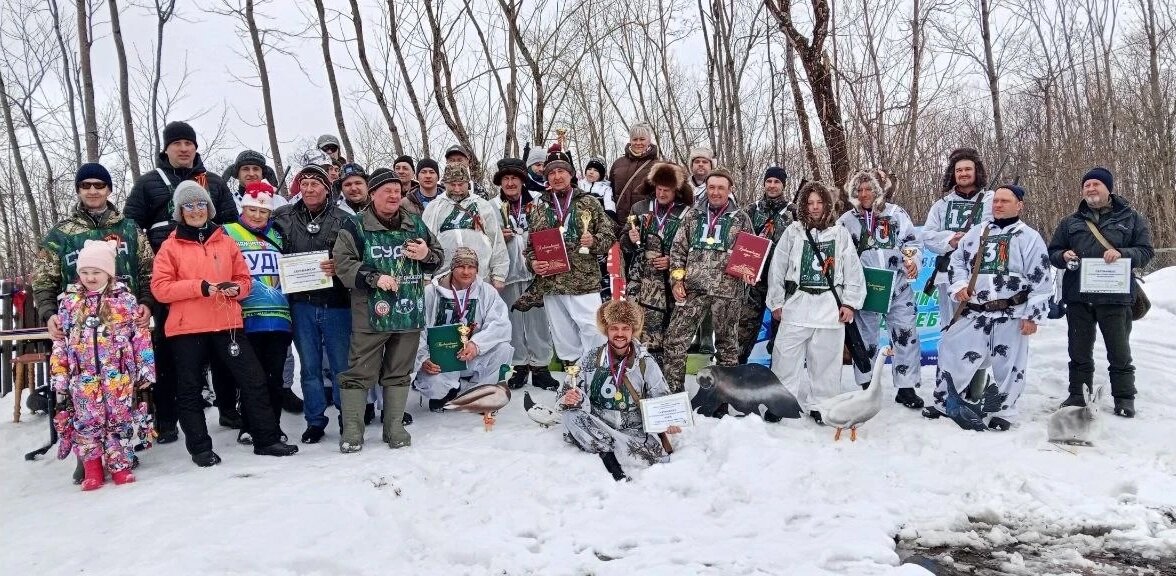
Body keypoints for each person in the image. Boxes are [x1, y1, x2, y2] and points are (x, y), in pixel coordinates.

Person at [151, 181, 299, 466]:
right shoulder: (171, 246)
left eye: (201, 204)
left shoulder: (225, 240)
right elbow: (161, 288)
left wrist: (238, 290)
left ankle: (266, 438)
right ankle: (200, 448)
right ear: (180, 211)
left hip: (226, 323)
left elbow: (244, 279)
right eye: (189, 205)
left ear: (210, 207)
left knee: (254, 381)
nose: (196, 210)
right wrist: (200, 287)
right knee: (190, 389)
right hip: (187, 328)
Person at [33, 163, 156, 483]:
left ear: (108, 190)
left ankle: (121, 455)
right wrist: (50, 315)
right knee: (82, 399)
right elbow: (43, 282)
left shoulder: (130, 228)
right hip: (79, 330)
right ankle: (87, 457)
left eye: (99, 185)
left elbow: (147, 272)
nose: (92, 190)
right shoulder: (61, 234)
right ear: (78, 189)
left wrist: (145, 303)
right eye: (86, 185)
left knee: (122, 395)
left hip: (120, 328)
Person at [123, 121, 239, 444]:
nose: (184, 148)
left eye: (190, 142)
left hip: (212, 279)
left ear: (196, 147)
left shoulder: (213, 183)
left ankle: (229, 409)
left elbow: (231, 225)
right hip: (170, 278)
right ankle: (168, 418)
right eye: (177, 143)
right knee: (169, 350)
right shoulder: (148, 184)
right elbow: (131, 229)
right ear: (166, 148)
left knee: (222, 345)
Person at [334, 170, 444, 452]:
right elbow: (343, 264)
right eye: (387, 191)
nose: (395, 196)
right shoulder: (355, 226)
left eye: (398, 190)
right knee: (359, 372)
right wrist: (373, 277)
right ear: (372, 195)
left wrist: (427, 256)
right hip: (370, 313)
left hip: (408, 312)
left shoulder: (415, 224)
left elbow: (438, 256)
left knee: (399, 372)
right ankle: (353, 430)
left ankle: (394, 426)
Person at [929, 184, 1053, 431]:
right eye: (995, 201)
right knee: (952, 351)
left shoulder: (1029, 238)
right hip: (975, 310)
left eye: (1005, 201)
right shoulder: (976, 233)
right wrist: (960, 286)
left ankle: (1004, 410)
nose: (998, 205)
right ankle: (944, 401)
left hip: (1011, 312)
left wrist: (1033, 316)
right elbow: (957, 263)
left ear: (1019, 205)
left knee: (1009, 364)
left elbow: (1041, 279)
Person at [49, 240, 155, 490]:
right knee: (87, 422)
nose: (90, 277)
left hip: (117, 375)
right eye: (85, 272)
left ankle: (120, 466)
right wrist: (60, 376)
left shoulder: (125, 300)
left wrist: (145, 369)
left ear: (109, 272)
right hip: (82, 377)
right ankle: (93, 469)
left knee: (119, 420)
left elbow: (140, 336)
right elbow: (60, 341)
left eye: (96, 272)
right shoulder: (70, 303)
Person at [1048, 167, 1153, 417]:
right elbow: (1053, 252)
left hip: (1115, 298)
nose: (1091, 189)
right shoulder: (1070, 222)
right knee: (1078, 350)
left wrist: (1123, 253)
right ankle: (1077, 394)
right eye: (1087, 185)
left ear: (1108, 189)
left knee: (1119, 351)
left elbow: (1146, 252)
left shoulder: (1131, 218)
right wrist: (1063, 255)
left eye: (1096, 184)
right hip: (1078, 297)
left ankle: (1124, 398)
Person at [765, 181, 866, 422]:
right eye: (809, 203)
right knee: (784, 357)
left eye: (819, 202)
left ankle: (822, 405)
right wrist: (777, 302)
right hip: (798, 303)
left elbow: (853, 270)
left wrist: (849, 303)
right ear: (803, 206)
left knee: (826, 362)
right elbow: (777, 268)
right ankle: (781, 402)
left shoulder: (839, 233)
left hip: (828, 307)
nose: (814, 207)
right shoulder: (793, 232)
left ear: (827, 205)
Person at [271, 165, 354, 444]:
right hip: (301, 304)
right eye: (303, 183)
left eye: (315, 184)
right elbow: (269, 248)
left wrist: (338, 267)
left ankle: (348, 416)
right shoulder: (283, 217)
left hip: (336, 304)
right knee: (310, 367)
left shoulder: (344, 219)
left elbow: (358, 258)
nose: (309, 189)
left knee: (342, 366)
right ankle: (315, 420)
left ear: (327, 189)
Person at [557, 299, 680, 482]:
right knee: (571, 415)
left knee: (656, 457)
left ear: (633, 331)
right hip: (598, 422)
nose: (620, 334)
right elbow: (565, 391)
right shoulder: (590, 358)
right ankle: (609, 459)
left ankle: (602, 445)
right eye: (614, 328)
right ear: (606, 329)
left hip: (632, 429)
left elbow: (661, 395)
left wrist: (668, 420)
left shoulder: (645, 362)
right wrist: (570, 397)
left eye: (625, 328)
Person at [837, 169, 924, 409]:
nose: (864, 194)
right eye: (859, 190)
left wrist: (912, 261)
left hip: (897, 285)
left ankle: (906, 388)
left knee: (905, 334)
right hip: (866, 289)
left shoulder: (897, 214)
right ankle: (867, 386)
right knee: (866, 339)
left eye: (869, 189)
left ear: (879, 190)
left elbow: (912, 241)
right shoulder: (846, 221)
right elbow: (840, 253)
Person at [661, 169, 753, 393]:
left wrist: (749, 273)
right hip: (692, 290)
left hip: (728, 292)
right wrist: (676, 281)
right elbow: (678, 250)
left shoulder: (740, 218)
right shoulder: (693, 216)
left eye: (721, 188)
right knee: (675, 341)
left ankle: (723, 399)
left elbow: (751, 254)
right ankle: (673, 394)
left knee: (728, 348)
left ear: (730, 190)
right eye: (712, 187)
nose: (715, 192)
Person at [520, 156, 615, 368]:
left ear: (571, 174)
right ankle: (574, 385)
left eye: (561, 171)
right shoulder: (538, 207)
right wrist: (533, 264)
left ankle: (598, 376)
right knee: (564, 338)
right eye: (551, 173)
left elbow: (609, 236)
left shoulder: (588, 202)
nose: (557, 176)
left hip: (584, 281)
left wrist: (594, 241)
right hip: (553, 284)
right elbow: (530, 248)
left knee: (594, 331)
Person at [222, 182, 293, 444]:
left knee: (274, 378)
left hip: (278, 318)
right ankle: (249, 425)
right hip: (244, 318)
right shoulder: (227, 232)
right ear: (243, 208)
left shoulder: (279, 234)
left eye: (263, 211)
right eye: (252, 210)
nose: (257, 215)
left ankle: (272, 425)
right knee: (252, 379)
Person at [415, 247, 513, 410]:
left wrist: (476, 345)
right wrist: (423, 357)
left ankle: (480, 394)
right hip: (440, 360)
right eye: (461, 266)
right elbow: (418, 328)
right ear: (452, 268)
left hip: (470, 355)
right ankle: (447, 391)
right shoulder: (431, 292)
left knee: (503, 349)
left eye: (471, 267)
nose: (466, 271)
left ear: (477, 269)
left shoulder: (486, 292)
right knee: (435, 386)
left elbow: (500, 324)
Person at [491, 158, 558, 390]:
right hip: (506, 272)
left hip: (536, 270)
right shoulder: (491, 206)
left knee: (539, 320)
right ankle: (518, 366)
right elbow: (483, 237)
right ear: (501, 182)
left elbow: (549, 231)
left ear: (522, 181)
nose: (510, 183)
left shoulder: (539, 204)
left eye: (514, 178)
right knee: (513, 320)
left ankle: (541, 367)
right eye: (506, 179)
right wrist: (498, 234)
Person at [620, 162, 691, 364]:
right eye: (658, 189)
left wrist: (672, 261)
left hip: (669, 283)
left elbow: (691, 248)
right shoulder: (640, 207)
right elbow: (623, 242)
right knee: (636, 325)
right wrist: (630, 239)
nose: (661, 193)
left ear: (676, 190)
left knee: (665, 330)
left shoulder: (686, 213)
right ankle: (633, 367)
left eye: (666, 190)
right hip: (639, 280)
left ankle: (660, 373)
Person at [922, 148, 992, 329]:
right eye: (959, 170)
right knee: (951, 327)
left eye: (968, 169)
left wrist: (972, 240)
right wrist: (950, 239)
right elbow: (928, 235)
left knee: (982, 328)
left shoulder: (991, 201)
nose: (963, 173)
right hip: (947, 274)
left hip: (982, 274)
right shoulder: (941, 205)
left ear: (976, 171)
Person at [737, 166, 794, 364]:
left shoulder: (793, 212)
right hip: (754, 280)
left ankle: (779, 371)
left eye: (776, 182)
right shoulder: (752, 210)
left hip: (782, 281)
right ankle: (735, 368)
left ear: (783, 185)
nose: (772, 185)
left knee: (782, 329)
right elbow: (739, 240)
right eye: (768, 181)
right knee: (744, 327)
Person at [421, 164, 508, 286]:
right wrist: (426, 276)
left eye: (461, 184)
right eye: (452, 184)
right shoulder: (434, 207)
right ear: (444, 184)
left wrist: (499, 275)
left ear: (468, 183)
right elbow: (426, 242)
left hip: (481, 278)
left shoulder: (482, 205)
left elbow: (497, 240)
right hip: (443, 280)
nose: (457, 189)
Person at [609, 122, 660, 223]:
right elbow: (610, 190)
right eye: (635, 139)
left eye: (642, 139)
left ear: (649, 140)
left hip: (645, 220)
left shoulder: (657, 165)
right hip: (618, 221)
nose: (638, 143)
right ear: (630, 140)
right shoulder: (618, 163)